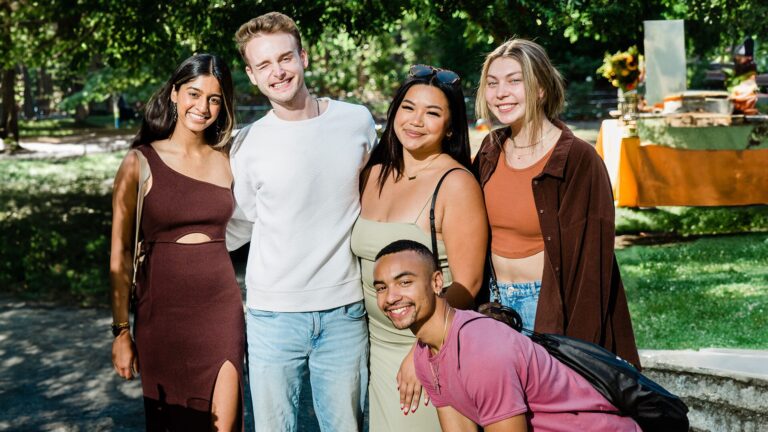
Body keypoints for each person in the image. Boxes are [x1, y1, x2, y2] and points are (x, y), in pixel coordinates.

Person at [227, 12, 376, 431]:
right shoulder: (248, 143)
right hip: (273, 315)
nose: (278, 71)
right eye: (264, 65)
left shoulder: (357, 122)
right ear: (252, 75)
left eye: (285, 58)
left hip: (345, 311)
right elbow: (239, 226)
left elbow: (383, 195)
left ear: (303, 57)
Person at [472, 39, 640, 367]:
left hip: (549, 307)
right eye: (492, 83)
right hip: (493, 306)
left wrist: (579, 351)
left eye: (514, 80)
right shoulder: (490, 151)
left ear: (540, 89)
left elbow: (592, 268)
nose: (500, 92)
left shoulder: (579, 160)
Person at [372, 239, 642, 431]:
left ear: (436, 282)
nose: (391, 297)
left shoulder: (481, 351)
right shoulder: (424, 355)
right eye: (381, 287)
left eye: (405, 282)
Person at [110, 53, 243, 431]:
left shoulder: (229, 161)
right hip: (161, 313)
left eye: (214, 99)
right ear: (174, 94)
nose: (203, 107)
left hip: (220, 309)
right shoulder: (139, 162)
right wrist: (121, 331)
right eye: (194, 94)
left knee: (225, 424)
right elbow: (119, 255)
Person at [351, 65, 487, 430]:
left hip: (426, 351)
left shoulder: (456, 184)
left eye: (433, 113)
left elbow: (468, 285)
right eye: (408, 108)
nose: (416, 120)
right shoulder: (373, 174)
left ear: (451, 126)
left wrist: (421, 351)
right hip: (374, 346)